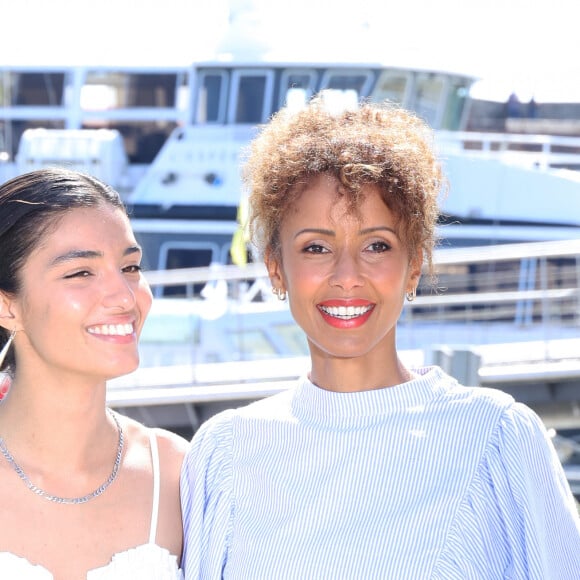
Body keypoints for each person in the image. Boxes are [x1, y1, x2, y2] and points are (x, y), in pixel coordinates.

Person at [180, 96, 580, 579]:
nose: (347, 276)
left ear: (414, 266)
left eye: (376, 245)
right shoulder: (224, 452)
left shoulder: (496, 437)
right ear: (275, 267)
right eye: (316, 247)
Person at [0, 168, 188, 578]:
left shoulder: (178, 474)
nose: (124, 297)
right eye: (81, 272)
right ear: (7, 306)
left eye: (131, 268)